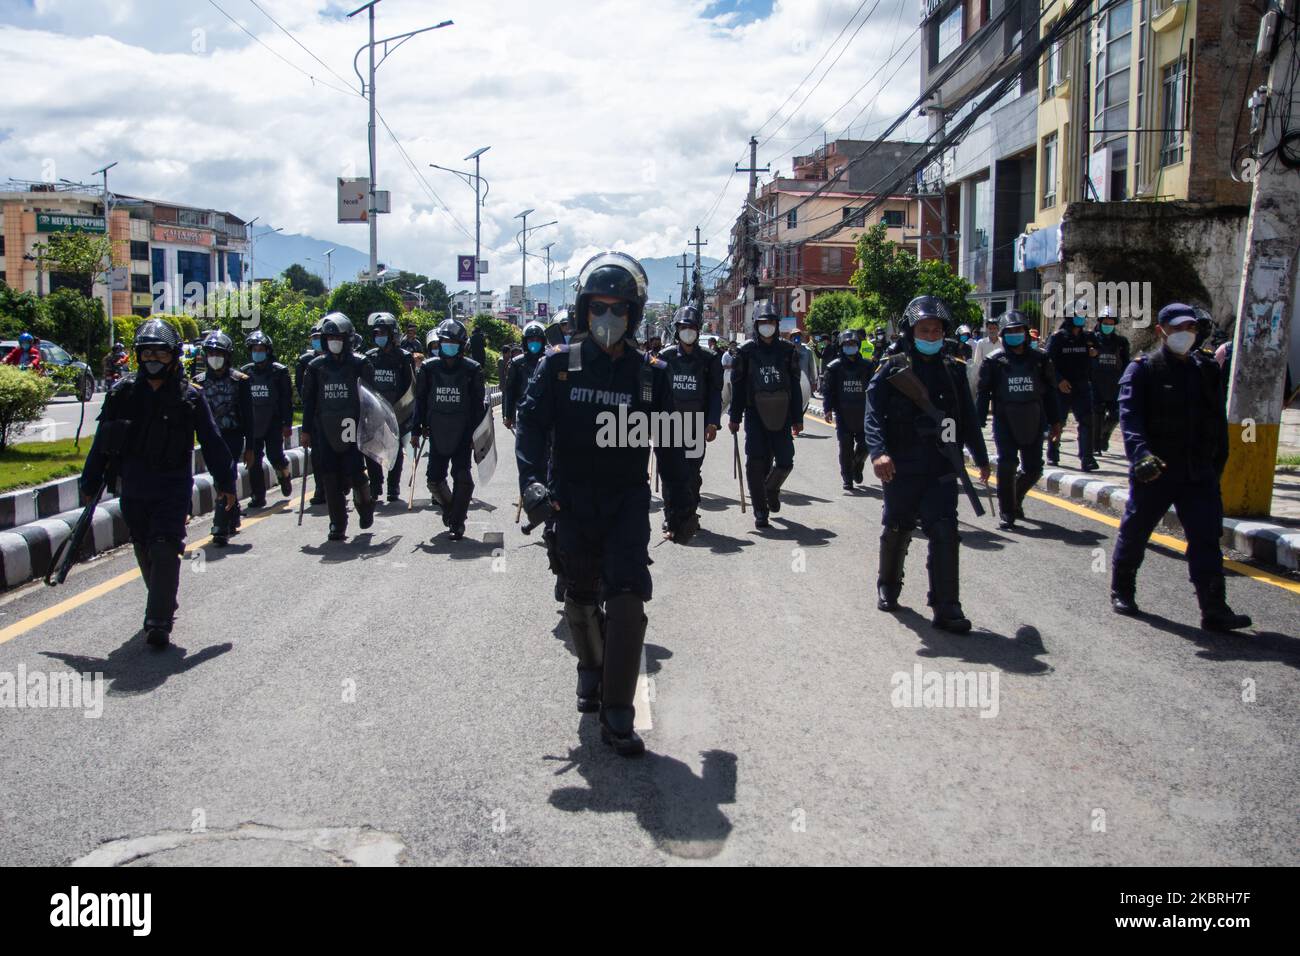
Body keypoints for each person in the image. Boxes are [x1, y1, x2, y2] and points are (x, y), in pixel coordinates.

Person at [516, 251, 697, 757]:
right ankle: (589, 668)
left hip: (626, 502)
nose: (607, 319)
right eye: (598, 308)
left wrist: (683, 506)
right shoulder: (559, 366)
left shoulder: (649, 375)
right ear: (582, 311)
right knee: (578, 595)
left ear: (634, 315)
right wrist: (531, 483)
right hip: (568, 500)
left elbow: (673, 446)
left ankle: (619, 711)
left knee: (626, 597)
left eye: (618, 309)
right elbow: (530, 425)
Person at [79, 320, 236, 648]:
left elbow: (211, 440)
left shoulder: (189, 397)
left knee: (166, 546)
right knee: (144, 546)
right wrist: (90, 481)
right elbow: (101, 441)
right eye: (147, 352)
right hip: (133, 487)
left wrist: (226, 483)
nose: (153, 358)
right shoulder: (123, 393)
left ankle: (158, 620)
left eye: (160, 353)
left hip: (172, 486)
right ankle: (162, 598)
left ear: (174, 356)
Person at [1110, 304, 1251, 631]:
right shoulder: (1143, 369)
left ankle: (1214, 608)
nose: (1185, 333)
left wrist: (1218, 463)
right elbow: (1130, 419)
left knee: (1205, 537)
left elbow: (1217, 420)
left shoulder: (1205, 369)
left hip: (1197, 471)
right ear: (1162, 331)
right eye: (1177, 328)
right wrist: (1140, 455)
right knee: (1136, 530)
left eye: (1190, 326)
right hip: (1155, 470)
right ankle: (1123, 589)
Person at [866, 296, 991, 633]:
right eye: (925, 330)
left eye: (937, 330)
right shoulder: (893, 367)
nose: (932, 335)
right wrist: (878, 452)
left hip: (941, 467)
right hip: (901, 467)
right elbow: (873, 413)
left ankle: (947, 606)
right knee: (897, 527)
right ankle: (888, 585)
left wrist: (980, 457)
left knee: (945, 532)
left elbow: (967, 418)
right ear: (911, 331)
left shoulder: (953, 369)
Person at [976, 312, 1062, 531]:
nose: (1016, 334)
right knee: (1006, 465)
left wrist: (1056, 422)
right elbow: (983, 393)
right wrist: (977, 423)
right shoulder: (994, 361)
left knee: (1034, 469)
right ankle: (1007, 511)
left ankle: (1015, 497)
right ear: (1004, 335)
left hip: (1034, 419)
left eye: (1019, 330)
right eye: (1011, 331)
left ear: (1026, 333)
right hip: (1005, 420)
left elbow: (1051, 392)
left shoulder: (1040, 360)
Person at [299, 313, 376, 541]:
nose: (334, 341)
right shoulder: (315, 367)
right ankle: (337, 524)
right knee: (329, 476)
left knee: (355, 471)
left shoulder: (360, 364)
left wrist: (370, 427)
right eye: (329, 337)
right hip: (325, 428)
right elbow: (309, 401)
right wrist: (305, 430)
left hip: (353, 426)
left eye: (338, 337)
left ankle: (365, 502)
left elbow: (371, 399)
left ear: (348, 339)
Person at [728, 300, 804, 529]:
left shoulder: (788, 350)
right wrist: (734, 417)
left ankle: (771, 489)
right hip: (754, 415)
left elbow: (795, 385)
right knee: (756, 462)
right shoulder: (745, 352)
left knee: (785, 460)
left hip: (782, 415)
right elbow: (738, 388)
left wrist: (797, 419)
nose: (767, 326)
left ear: (777, 324)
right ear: (756, 324)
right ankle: (760, 511)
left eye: (771, 322)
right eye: (763, 322)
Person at [411, 319, 485, 541]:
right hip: (437, 430)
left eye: (453, 342)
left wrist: (477, 435)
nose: (448, 346)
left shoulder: (472, 370)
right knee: (434, 479)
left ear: (462, 345)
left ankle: (457, 522)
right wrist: (415, 430)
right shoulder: (429, 369)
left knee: (462, 477)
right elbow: (420, 401)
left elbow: (477, 405)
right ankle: (452, 508)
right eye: (445, 342)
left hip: (463, 433)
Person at [657, 305, 722, 525]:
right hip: (668, 424)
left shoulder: (709, 359)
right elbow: (654, 392)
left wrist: (713, 422)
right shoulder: (664, 358)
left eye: (692, 327)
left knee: (692, 474)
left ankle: (690, 512)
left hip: (696, 424)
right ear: (677, 330)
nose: (688, 331)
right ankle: (671, 516)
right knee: (669, 473)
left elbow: (715, 393)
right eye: (684, 327)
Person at [193, 331, 252, 546]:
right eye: (211, 353)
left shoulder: (240, 381)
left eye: (219, 353)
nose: (215, 357)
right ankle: (233, 512)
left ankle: (220, 524)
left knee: (224, 474)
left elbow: (248, 416)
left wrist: (251, 446)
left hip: (233, 436)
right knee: (219, 475)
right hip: (209, 438)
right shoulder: (197, 384)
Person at [364, 312, 415, 503]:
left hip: (397, 411)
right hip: (374, 411)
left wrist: (405, 413)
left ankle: (393, 486)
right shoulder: (369, 357)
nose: (380, 337)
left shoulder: (404, 358)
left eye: (383, 333)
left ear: (393, 335)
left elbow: (410, 386)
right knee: (371, 450)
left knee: (395, 450)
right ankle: (376, 484)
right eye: (377, 333)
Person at [241, 330, 294, 507]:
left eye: (260, 349)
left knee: (275, 455)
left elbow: (287, 400)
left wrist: (287, 423)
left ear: (268, 350)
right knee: (253, 461)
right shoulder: (245, 373)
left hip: (273, 421)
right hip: (253, 423)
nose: (257, 352)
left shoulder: (279, 372)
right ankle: (258, 495)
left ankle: (284, 475)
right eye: (254, 349)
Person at [1046, 304, 1100, 471]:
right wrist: (1059, 380)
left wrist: (1094, 352)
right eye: (1078, 315)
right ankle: (1053, 453)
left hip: (1082, 385)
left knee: (1086, 421)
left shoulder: (1088, 337)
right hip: (1062, 387)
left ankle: (1087, 458)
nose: (1081, 319)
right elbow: (1049, 363)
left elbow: (1097, 351)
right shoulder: (1057, 338)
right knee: (1058, 422)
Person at [823, 330, 872, 490]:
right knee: (845, 446)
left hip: (864, 412)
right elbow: (828, 390)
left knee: (865, 444)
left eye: (852, 344)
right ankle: (847, 477)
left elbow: (874, 389)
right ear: (841, 346)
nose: (850, 347)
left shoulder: (867, 366)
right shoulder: (834, 368)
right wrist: (827, 409)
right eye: (846, 344)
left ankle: (857, 464)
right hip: (844, 413)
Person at [1090, 307, 1131, 455]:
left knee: (1115, 414)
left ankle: (1104, 435)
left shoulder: (1121, 342)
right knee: (1097, 415)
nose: (1108, 325)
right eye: (1105, 322)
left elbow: (1126, 362)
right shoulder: (1091, 340)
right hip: (1095, 383)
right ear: (1100, 322)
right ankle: (1095, 446)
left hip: (1114, 383)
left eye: (1111, 322)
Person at [967, 316, 1000, 397]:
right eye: (990, 328)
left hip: (999, 376)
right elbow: (977, 362)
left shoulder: (1003, 342)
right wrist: (976, 379)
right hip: (985, 376)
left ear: (998, 329)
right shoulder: (981, 343)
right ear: (987, 329)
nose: (992, 331)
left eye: (994, 328)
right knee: (982, 402)